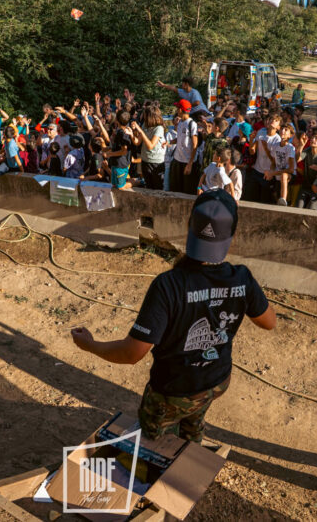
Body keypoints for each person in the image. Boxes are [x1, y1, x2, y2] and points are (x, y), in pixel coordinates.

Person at [70, 190, 277, 442]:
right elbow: (269, 322)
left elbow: (132, 353)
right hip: (216, 382)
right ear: (231, 237)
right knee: (194, 419)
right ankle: (191, 442)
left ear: (189, 227)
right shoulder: (242, 278)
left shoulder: (168, 285)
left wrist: (90, 345)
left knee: (152, 443)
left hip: (173, 391)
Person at [133, 106, 166, 191]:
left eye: (145, 115)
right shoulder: (145, 125)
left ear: (150, 116)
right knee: (148, 188)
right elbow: (137, 142)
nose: (143, 117)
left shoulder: (159, 128)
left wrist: (140, 131)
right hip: (145, 161)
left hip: (156, 163)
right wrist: (131, 133)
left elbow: (150, 146)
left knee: (157, 189)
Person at [169, 100, 198, 194]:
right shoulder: (180, 122)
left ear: (181, 110)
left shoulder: (192, 124)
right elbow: (180, 138)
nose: (176, 110)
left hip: (187, 162)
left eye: (177, 108)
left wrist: (190, 164)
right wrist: (170, 142)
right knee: (176, 189)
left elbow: (195, 145)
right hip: (177, 160)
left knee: (187, 191)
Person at [270, 123, 297, 206]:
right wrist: (270, 172)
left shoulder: (290, 148)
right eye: (282, 129)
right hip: (277, 174)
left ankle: (283, 199)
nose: (283, 131)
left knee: (284, 175)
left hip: (290, 175)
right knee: (273, 195)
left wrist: (273, 173)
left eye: (286, 130)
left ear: (291, 135)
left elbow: (291, 169)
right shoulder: (275, 146)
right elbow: (273, 163)